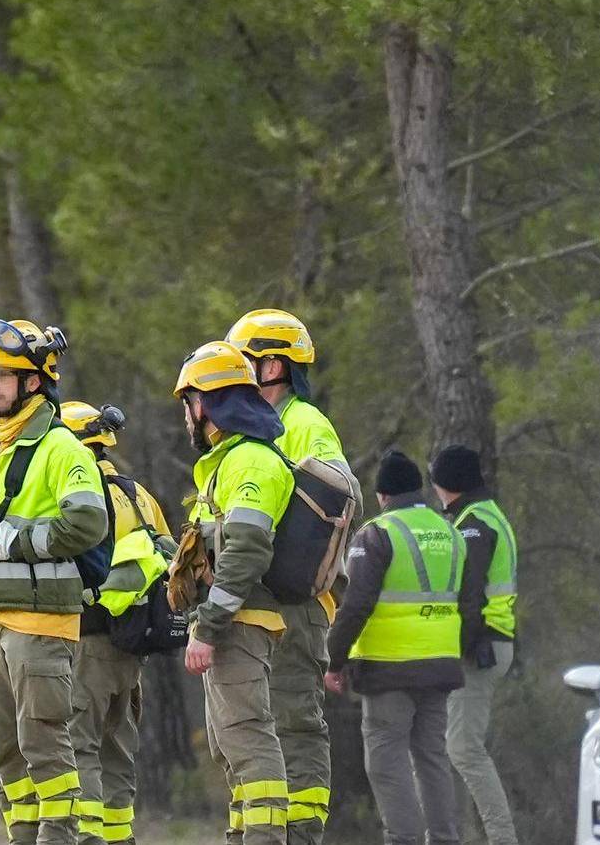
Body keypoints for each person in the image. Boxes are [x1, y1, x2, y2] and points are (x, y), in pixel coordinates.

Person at [0, 319, 107, 845]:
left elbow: (88, 524)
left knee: (44, 745)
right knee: (5, 750)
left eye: (4, 375)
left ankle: (57, 837)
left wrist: (12, 544)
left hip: (40, 625)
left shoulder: (61, 447)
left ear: (34, 383)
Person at [226, 309, 349, 843]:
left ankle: (299, 836)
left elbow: (334, 500)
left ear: (273, 366)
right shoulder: (253, 431)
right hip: (264, 606)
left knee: (295, 727)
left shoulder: (305, 424)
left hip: (297, 608)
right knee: (255, 731)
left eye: (244, 364)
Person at [172, 341, 292, 845]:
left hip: (239, 624)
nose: (186, 416)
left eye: (188, 403)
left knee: (248, 740)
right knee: (229, 747)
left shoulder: (252, 463)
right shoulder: (227, 463)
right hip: (231, 623)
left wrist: (208, 627)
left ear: (206, 404)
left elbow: (244, 551)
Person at [324, 452, 476, 845]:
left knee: (387, 762)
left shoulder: (378, 533)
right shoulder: (450, 532)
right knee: (433, 759)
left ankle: (403, 840)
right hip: (440, 665)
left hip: (389, 667)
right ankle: (445, 839)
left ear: (382, 495)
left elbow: (356, 604)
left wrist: (335, 659)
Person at [57, 402, 171, 845]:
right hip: (130, 642)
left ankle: (88, 837)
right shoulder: (138, 494)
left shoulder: (79, 495)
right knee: (118, 747)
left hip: (87, 638)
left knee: (80, 743)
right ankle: (120, 836)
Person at [430, 445, 518, 845]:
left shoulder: (473, 524)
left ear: (446, 484)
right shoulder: (487, 514)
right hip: (492, 643)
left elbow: (468, 597)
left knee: (464, 750)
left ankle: (502, 839)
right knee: (456, 747)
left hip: (478, 646)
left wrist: (450, 652)